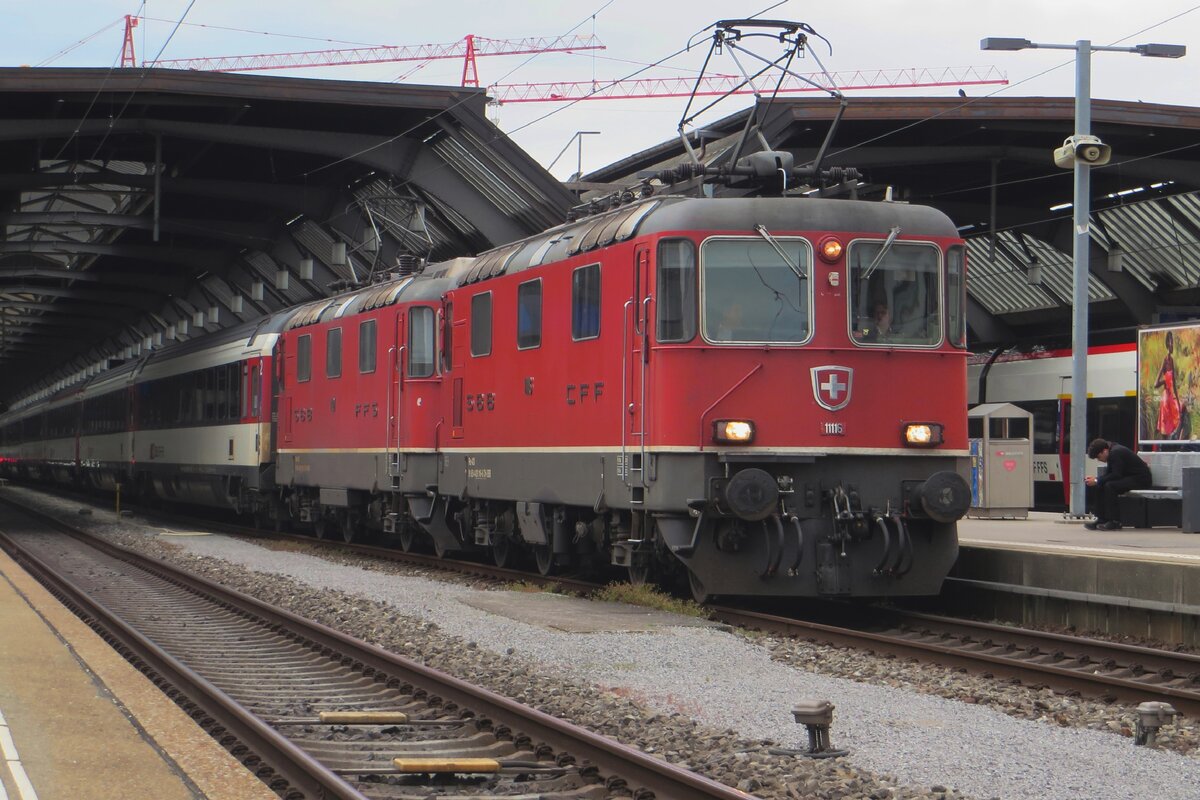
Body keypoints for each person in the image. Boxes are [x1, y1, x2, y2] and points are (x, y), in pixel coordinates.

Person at [1083, 438, 1152, 530]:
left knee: (1110, 486)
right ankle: (1101, 519)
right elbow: (1110, 474)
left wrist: (1096, 480)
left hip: (1141, 479)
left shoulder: (1116, 452)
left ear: (1104, 451)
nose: (1099, 460)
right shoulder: (1112, 451)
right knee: (1101, 485)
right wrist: (1097, 480)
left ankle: (1115, 521)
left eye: (1099, 457)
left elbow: (1116, 474)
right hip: (1130, 477)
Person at [1155, 330, 1183, 439]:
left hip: (1171, 396)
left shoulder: (1172, 360)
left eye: (1173, 342)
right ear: (1167, 344)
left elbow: (1174, 383)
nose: (1172, 345)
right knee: (1166, 427)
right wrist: (1165, 380)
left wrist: (1177, 399)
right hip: (1166, 398)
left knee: (1177, 417)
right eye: (1170, 342)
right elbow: (1156, 384)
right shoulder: (1165, 360)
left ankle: (1172, 443)